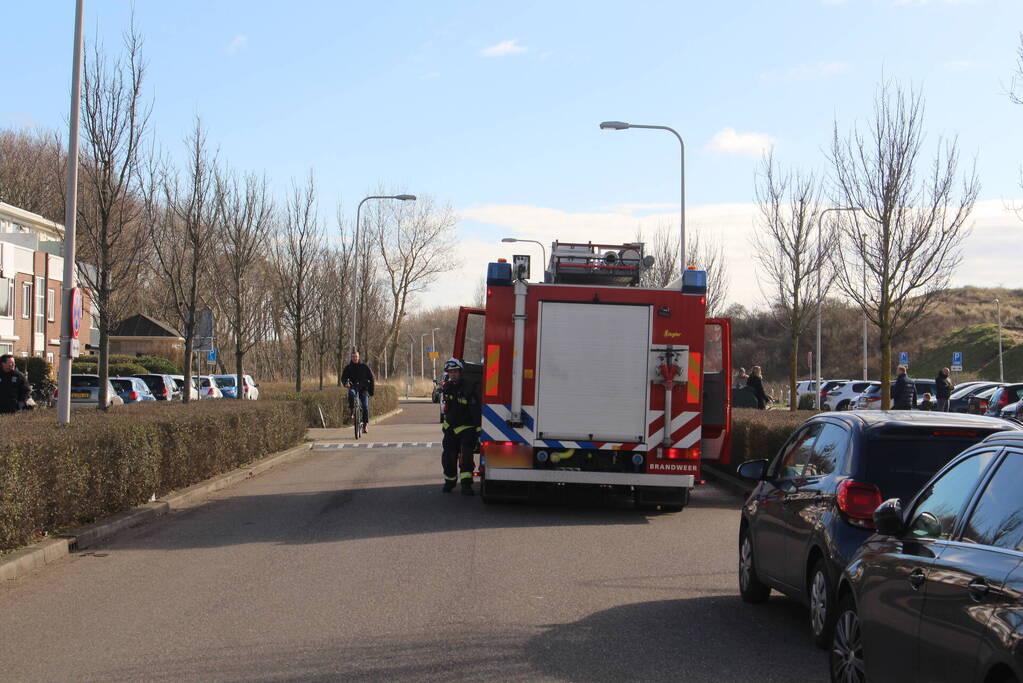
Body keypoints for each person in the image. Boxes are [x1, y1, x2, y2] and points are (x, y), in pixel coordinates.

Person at [440, 358, 481, 495]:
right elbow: (447, 410)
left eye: (455, 372)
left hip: (467, 428)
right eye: (450, 372)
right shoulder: (447, 388)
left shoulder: (469, 388)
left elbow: (475, 410)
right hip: (451, 428)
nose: (453, 374)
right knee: (448, 457)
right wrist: (446, 426)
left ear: (460, 372)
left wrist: (478, 430)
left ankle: (466, 485)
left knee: (466, 458)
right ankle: (450, 482)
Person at [340, 350, 375, 433]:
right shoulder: (348, 368)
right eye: (353, 357)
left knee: (365, 406)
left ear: (358, 357)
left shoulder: (364, 367)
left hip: (364, 389)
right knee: (351, 393)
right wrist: (345, 383)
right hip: (353, 387)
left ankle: (365, 425)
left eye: (356, 356)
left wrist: (371, 391)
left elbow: (372, 378)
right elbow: (343, 377)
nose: (355, 358)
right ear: (351, 358)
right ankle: (352, 410)